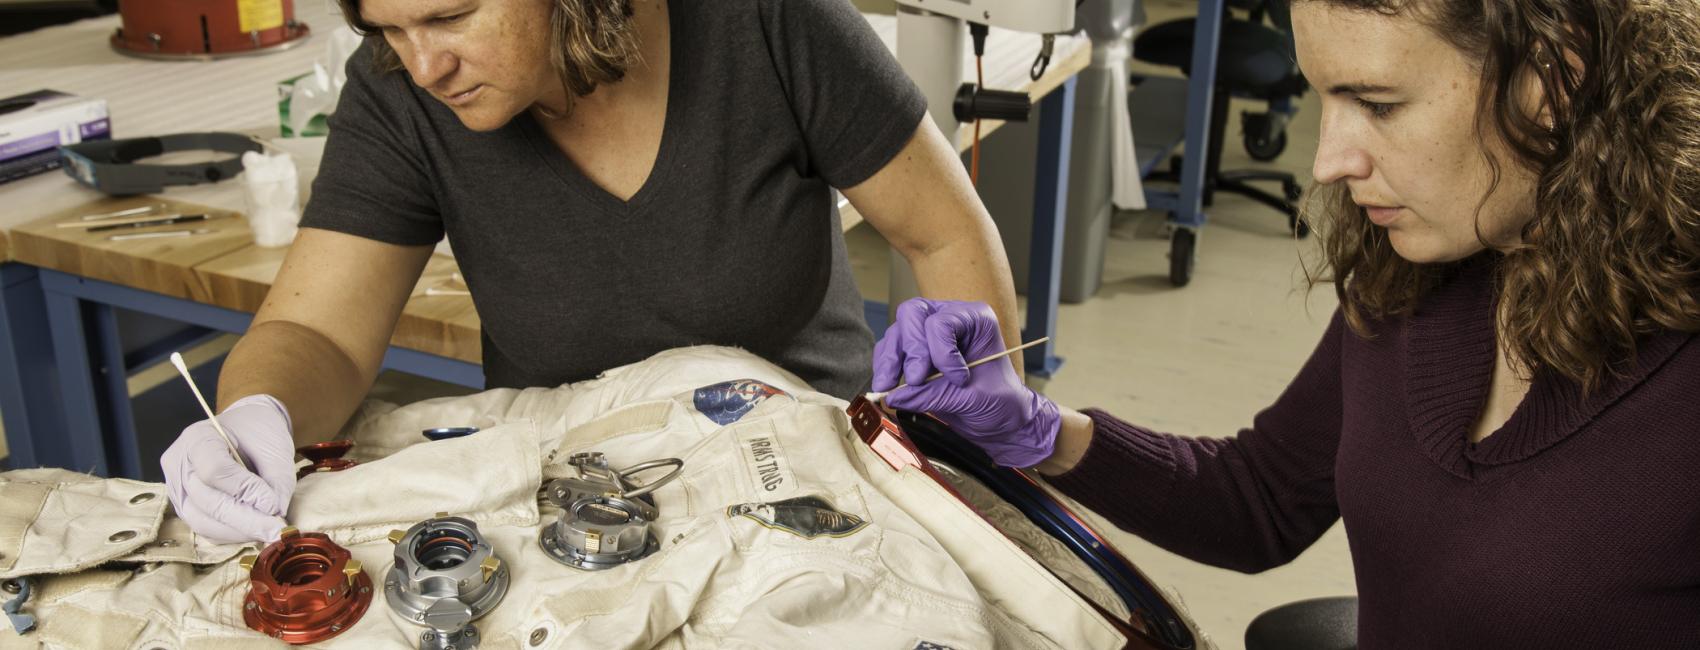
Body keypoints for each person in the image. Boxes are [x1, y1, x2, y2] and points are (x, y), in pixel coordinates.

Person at [874, 0, 1700, 646]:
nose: (1328, 160)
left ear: (1549, 82)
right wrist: (1039, 431)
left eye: (1375, 102)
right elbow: (1264, 500)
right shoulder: (1416, 273)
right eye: (1325, 99)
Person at [160, 0, 1027, 544]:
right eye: (389, 28)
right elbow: (317, 331)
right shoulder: (399, 89)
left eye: (451, 17)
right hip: (572, 501)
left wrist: (980, 452)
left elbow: (945, 234)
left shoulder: (770, 21)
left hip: (806, 469)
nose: (424, 66)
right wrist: (252, 417)